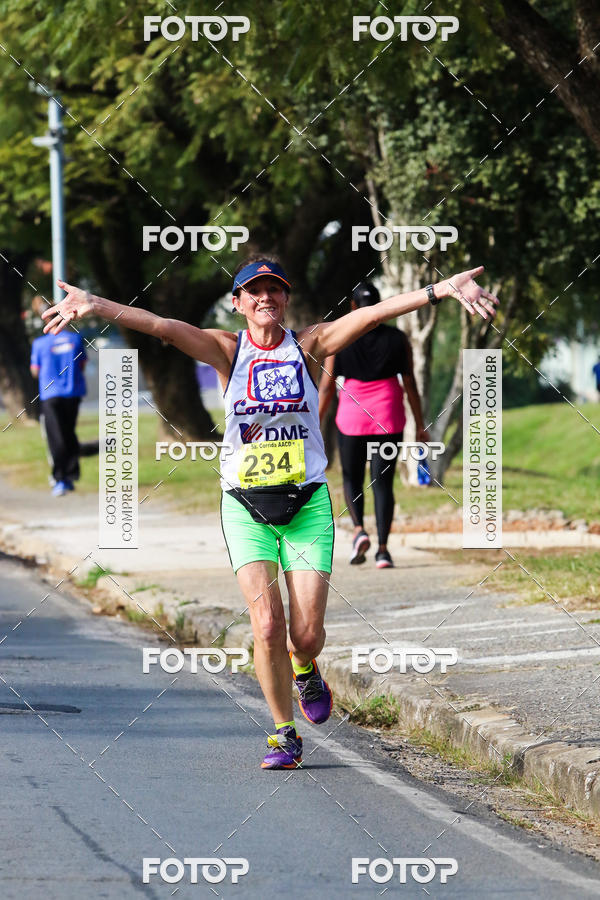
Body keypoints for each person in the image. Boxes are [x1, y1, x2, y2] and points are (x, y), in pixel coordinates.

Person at [41, 257, 498, 768]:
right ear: (237, 302)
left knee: (306, 635)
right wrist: (95, 304)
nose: (265, 298)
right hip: (245, 507)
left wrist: (441, 289)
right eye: (254, 291)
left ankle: (305, 667)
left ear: (286, 299)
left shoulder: (309, 345)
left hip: (307, 505)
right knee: (265, 625)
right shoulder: (226, 349)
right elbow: (161, 326)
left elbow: (372, 315)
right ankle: (284, 733)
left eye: (274, 290)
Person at [318, 281, 429, 569]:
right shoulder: (398, 338)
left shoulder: (339, 338)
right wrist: (420, 424)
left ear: (353, 306)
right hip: (387, 415)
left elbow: (327, 386)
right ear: (379, 305)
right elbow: (410, 384)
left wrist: (314, 422)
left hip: (352, 416)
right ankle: (382, 551)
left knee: (352, 478)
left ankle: (359, 531)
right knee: (383, 483)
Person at [30, 321, 87, 497]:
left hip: (50, 394)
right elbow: (82, 364)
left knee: (56, 436)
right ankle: (71, 475)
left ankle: (60, 478)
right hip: (73, 392)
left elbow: (35, 371)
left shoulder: (39, 343)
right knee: (69, 432)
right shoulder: (76, 339)